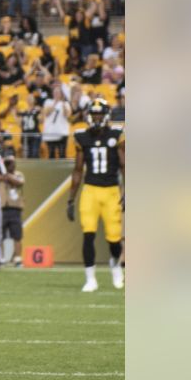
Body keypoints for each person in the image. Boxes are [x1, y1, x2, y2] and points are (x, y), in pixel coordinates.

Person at [67, 99, 124, 292]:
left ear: (106, 115)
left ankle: (115, 265)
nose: (97, 117)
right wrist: (70, 199)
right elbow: (77, 170)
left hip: (111, 191)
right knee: (88, 234)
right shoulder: (82, 137)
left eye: (100, 114)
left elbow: (125, 166)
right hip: (90, 190)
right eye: (94, 114)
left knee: (114, 240)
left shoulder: (116, 135)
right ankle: (90, 278)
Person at [0, 153, 27, 266]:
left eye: (11, 163)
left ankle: (18, 259)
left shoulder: (18, 174)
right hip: (2, 208)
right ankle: (1, 257)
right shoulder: (0, 174)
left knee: (17, 235)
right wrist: (2, 173)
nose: (9, 165)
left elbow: (19, 182)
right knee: (0, 235)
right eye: (7, 163)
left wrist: (6, 174)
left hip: (15, 209)